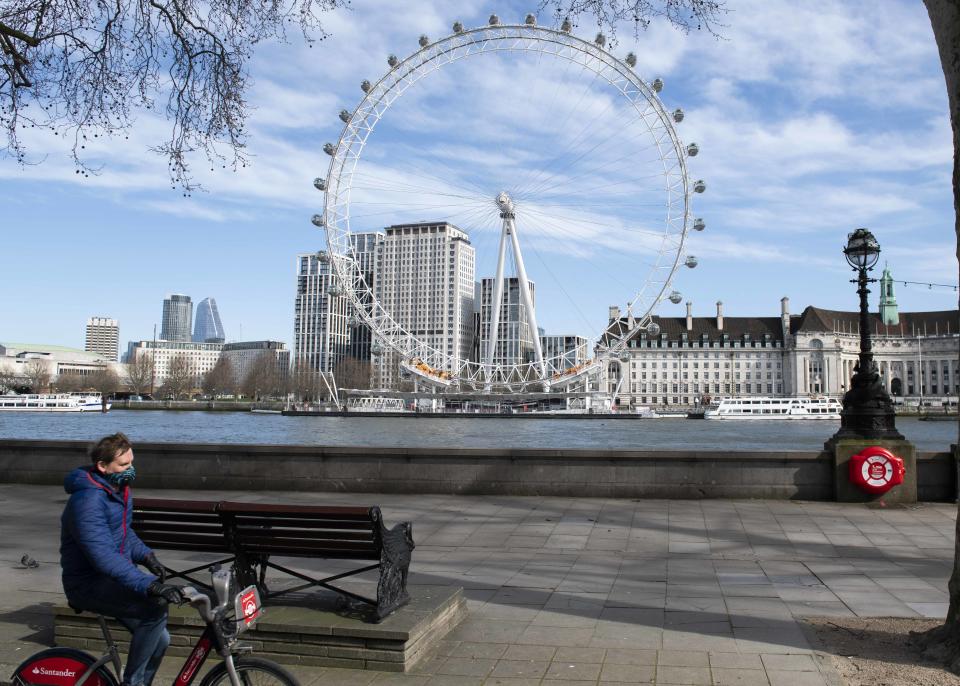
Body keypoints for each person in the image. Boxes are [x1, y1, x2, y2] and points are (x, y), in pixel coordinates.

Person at [60, 432, 182, 686]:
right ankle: (133, 683)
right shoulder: (89, 500)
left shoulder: (116, 488)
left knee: (161, 639)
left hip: (108, 578)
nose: (130, 470)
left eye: (132, 463)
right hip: (87, 583)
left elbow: (123, 535)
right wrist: (149, 585)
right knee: (154, 609)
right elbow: (103, 556)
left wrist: (147, 557)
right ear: (102, 466)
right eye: (124, 465)